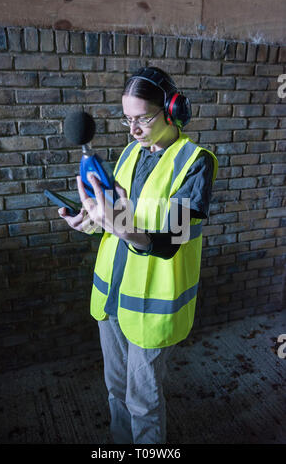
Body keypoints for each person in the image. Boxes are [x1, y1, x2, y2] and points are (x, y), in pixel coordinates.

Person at [58, 66, 218, 444]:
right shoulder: (131, 153)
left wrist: (116, 225)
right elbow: (120, 212)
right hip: (112, 295)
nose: (132, 130)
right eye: (127, 119)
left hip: (151, 306)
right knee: (115, 391)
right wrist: (90, 222)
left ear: (172, 111)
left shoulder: (195, 162)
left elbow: (173, 238)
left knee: (142, 402)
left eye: (142, 118)